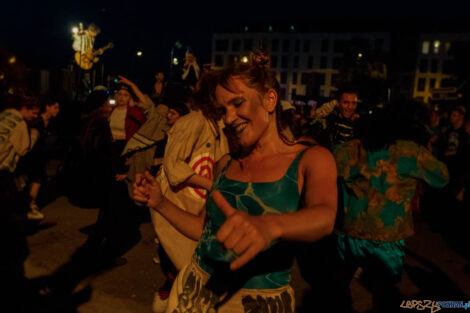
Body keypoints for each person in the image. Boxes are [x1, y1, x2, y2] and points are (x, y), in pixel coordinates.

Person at [134, 61, 337, 312]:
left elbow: (325, 217)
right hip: (194, 293)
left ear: (270, 99)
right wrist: (160, 203)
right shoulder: (225, 163)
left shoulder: (311, 159)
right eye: (223, 110)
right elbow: (204, 231)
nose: (229, 118)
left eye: (237, 103)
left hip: (256, 303)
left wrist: (270, 226)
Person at [333, 109, 449, 312]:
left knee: (339, 284)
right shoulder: (410, 151)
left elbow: (328, 171)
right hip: (389, 236)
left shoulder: (348, 149)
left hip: (351, 230)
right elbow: (441, 178)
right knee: (383, 292)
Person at [148, 72, 229, 313]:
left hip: (198, 208)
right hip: (180, 206)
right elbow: (174, 167)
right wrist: (210, 184)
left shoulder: (218, 125)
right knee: (190, 264)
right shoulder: (194, 122)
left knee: (196, 265)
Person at [23, 96, 60, 220]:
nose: (57, 110)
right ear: (47, 107)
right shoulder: (37, 121)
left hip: (42, 156)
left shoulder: (51, 122)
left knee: (37, 180)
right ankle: (30, 206)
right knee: (36, 181)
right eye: (55, 107)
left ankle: (30, 204)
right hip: (34, 156)